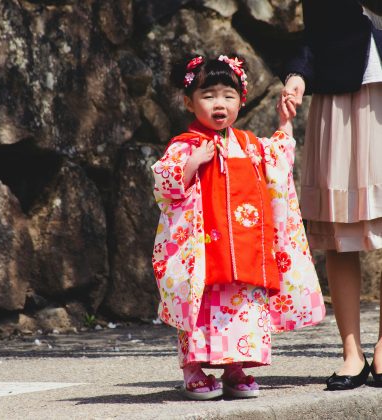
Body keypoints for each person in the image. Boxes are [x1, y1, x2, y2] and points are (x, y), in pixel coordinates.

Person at [151, 53, 325, 400]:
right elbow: (164, 184)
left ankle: (234, 368)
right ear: (189, 101)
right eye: (209, 95)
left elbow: (278, 164)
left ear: (240, 101)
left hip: (245, 251)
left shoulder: (247, 145)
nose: (220, 104)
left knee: (241, 306)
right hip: (201, 253)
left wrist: (285, 122)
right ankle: (193, 370)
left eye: (228, 96)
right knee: (200, 307)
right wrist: (190, 166)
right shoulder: (185, 146)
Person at [280, 0, 382, 390]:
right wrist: (297, 75)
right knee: (339, 234)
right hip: (338, 100)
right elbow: (314, 34)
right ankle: (351, 353)